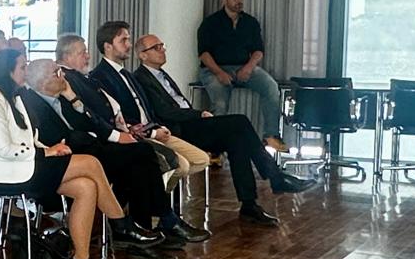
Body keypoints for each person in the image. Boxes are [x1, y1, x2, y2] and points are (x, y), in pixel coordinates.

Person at [20, 60, 202, 259]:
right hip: (70, 160)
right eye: (57, 73)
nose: (63, 76)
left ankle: (142, 232)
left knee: (139, 162)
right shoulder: (31, 103)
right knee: (140, 154)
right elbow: (57, 139)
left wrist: (73, 98)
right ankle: (153, 224)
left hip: (92, 150)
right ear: (42, 82)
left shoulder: (63, 97)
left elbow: (91, 123)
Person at [134, 33, 314, 227]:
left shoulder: (162, 74)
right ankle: (275, 177)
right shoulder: (141, 77)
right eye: (156, 48)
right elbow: (164, 112)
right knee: (240, 122)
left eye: (162, 46)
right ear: (143, 55)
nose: (162, 50)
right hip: (179, 129)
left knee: (238, 140)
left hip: (190, 123)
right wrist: (199, 114)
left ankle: (249, 204)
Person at [0, 50, 123, 259]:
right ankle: (120, 224)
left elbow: (29, 139)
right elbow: (4, 149)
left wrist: (51, 148)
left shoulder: (14, 98)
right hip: (3, 173)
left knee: (86, 186)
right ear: (8, 71)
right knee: (90, 163)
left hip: (24, 165)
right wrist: (46, 152)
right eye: (22, 67)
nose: (26, 72)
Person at [57, 33, 204, 185]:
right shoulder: (73, 79)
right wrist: (123, 133)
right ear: (67, 56)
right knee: (165, 161)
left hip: (131, 130)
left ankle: (154, 198)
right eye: (83, 53)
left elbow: (137, 109)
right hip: (105, 138)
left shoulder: (91, 77)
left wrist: (143, 127)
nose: (88, 56)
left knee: (190, 160)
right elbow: (89, 116)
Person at [198, 0, 286, 150]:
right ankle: (215, 147)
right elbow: (203, 54)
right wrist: (219, 73)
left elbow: (258, 50)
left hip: (243, 67)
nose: (239, 1)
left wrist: (248, 67)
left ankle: (271, 136)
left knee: (271, 87)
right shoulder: (210, 23)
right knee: (220, 103)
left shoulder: (250, 22)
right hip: (214, 69)